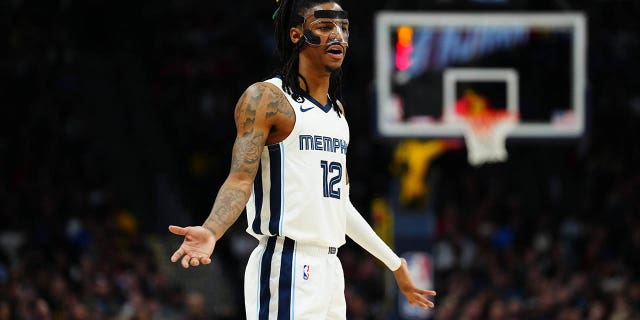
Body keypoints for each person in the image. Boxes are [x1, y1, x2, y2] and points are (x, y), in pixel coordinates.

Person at [168, 0, 436, 318]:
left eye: (344, 28)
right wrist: (212, 230)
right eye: (325, 27)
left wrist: (395, 263)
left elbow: (341, 207)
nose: (338, 35)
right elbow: (240, 178)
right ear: (297, 34)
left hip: (331, 270)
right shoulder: (267, 99)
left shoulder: (338, 114)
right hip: (287, 264)